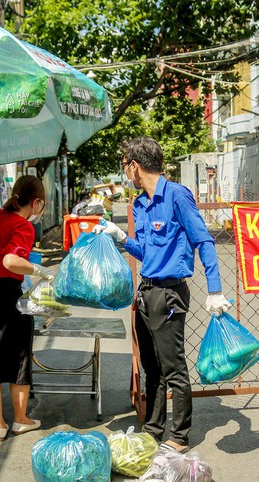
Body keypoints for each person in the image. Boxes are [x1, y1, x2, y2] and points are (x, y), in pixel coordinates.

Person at [92, 137, 231, 453]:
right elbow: (144, 251)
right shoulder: (140, 204)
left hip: (170, 293)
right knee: (152, 369)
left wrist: (215, 289)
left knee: (173, 368)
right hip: (146, 293)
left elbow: (203, 241)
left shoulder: (177, 196)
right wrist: (122, 238)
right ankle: (153, 430)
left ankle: (179, 436)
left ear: (134, 166)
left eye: (125, 165)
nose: (125, 172)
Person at [0, 175, 53, 442]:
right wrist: (39, 269)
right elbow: (10, 260)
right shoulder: (23, 227)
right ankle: (21, 419)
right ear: (36, 202)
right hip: (5, 292)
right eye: (43, 204)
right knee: (18, 353)